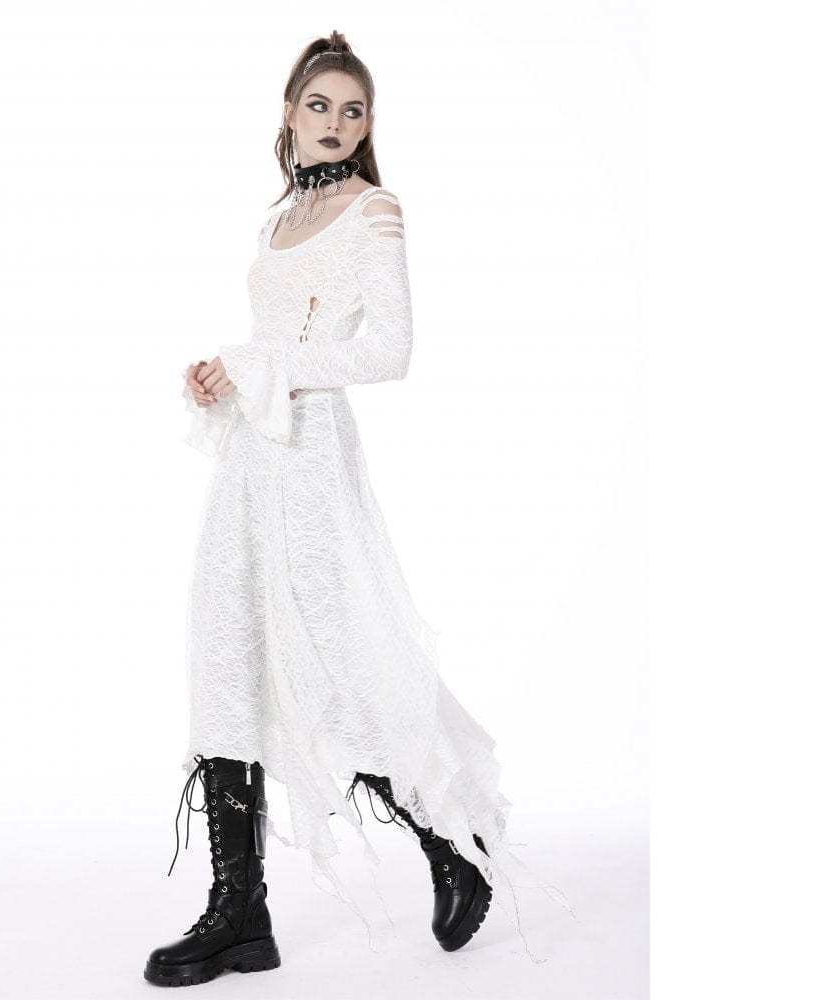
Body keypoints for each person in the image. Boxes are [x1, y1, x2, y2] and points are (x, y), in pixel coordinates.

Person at [144, 30, 574, 990]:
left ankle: (450, 841)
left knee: (337, 659)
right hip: (250, 459)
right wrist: (223, 375)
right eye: (320, 105)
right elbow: (271, 343)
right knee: (227, 655)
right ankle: (239, 912)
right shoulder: (276, 222)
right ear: (289, 115)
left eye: (354, 109)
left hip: (309, 461)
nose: (336, 122)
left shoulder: (374, 211)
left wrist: (260, 366)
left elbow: (389, 351)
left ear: (368, 124)